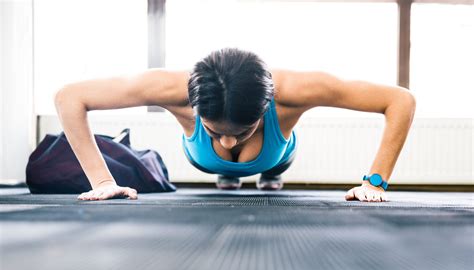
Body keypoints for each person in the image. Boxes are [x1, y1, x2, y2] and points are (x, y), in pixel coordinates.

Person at [54, 47, 416, 202]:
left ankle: (267, 171)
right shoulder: (168, 87)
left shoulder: (295, 91)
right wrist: (102, 181)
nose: (228, 142)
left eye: (241, 131)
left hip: (276, 154)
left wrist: (376, 183)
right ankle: (227, 172)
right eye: (215, 131)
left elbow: (400, 100)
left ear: (267, 105)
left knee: (273, 165)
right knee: (222, 162)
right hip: (201, 158)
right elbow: (70, 96)